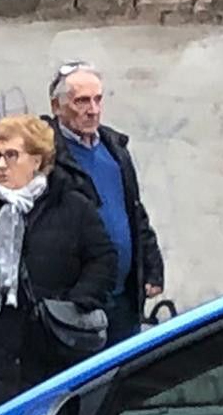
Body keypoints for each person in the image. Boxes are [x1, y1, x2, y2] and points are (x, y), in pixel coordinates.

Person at [0, 115, 117, 413]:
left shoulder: (71, 204)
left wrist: (73, 306)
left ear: (37, 160)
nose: (1, 164)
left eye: (11, 155)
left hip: (52, 350)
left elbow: (103, 260)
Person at [45, 61, 164, 346]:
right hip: (76, 300)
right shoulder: (47, 154)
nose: (93, 109)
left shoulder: (114, 149)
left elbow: (134, 211)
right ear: (57, 106)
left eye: (98, 99)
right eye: (82, 101)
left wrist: (151, 264)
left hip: (122, 299)